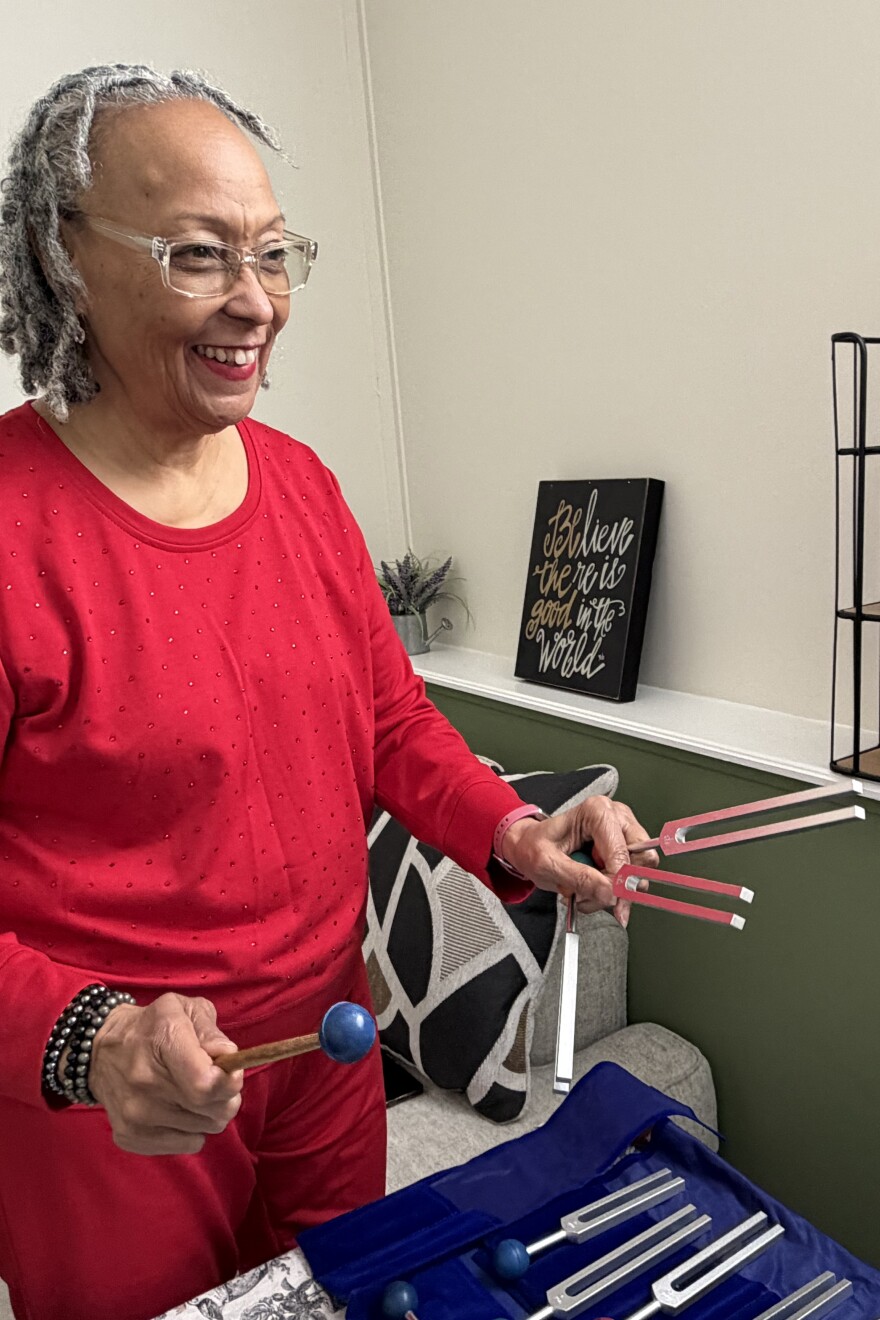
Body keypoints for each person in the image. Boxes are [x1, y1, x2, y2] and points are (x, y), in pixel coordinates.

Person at [0, 64, 656, 1320]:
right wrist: (89, 1042)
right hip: (115, 1108)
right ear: (63, 256)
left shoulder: (299, 484)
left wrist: (512, 830)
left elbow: (388, 722)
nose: (256, 303)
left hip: (328, 1051)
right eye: (198, 255)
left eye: (274, 252)